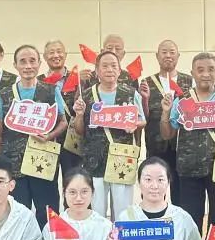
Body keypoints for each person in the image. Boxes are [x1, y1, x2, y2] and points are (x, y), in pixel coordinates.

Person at [160, 52, 215, 233]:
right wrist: (166, 112)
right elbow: (167, 134)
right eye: (200, 70)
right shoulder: (182, 101)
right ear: (193, 74)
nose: (206, 74)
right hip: (189, 168)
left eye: (211, 69)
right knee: (191, 218)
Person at [0, 45, 68, 228]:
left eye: (32, 61)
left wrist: (49, 136)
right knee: (18, 212)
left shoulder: (51, 91)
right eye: (23, 62)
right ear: (15, 65)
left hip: (43, 160)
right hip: (14, 162)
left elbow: (64, 122)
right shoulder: (5, 94)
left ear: (39, 63)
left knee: (48, 211)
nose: (28, 66)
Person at [72, 50, 146, 221]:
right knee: (97, 210)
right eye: (104, 66)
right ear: (97, 71)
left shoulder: (130, 93)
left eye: (113, 66)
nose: (109, 69)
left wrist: (134, 125)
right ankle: (101, 238)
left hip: (122, 158)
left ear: (119, 71)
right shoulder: (86, 95)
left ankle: (121, 238)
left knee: (122, 210)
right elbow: (79, 130)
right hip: (94, 159)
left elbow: (142, 120)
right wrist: (79, 115)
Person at [119, 157, 205, 240]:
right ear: (138, 182)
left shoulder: (182, 218)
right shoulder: (126, 218)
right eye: (148, 179)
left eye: (160, 180)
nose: (154, 186)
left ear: (168, 182)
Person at [42, 167, 129, 240]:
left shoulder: (105, 227)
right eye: (72, 192)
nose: (79, 198)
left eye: (84, 191)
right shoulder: (51, 227)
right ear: (64, 193)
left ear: (92, 193)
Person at [139, 39, 193, 205]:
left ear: (178, 56)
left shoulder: (190, 81)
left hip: (183, 145)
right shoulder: (146, 82)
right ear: (157, 56)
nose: (168, 56)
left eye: (171, 52)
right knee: (154, 189)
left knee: (181, 192)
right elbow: (143, 116)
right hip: (155, 143)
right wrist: (145, 99)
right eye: (164, 52)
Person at [40, 39, 81, 176]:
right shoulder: (38, 81)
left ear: (66, 54)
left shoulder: (78, 79)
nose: (56, 55)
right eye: (51, 52)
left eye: (59, 52)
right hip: (46, 140)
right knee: (47, 181)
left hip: (72, 140)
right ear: (45, 57)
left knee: (72, 180)